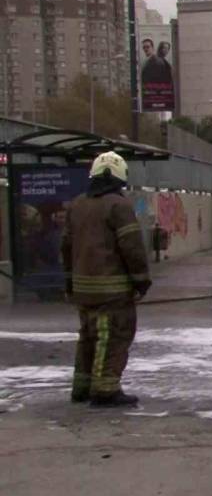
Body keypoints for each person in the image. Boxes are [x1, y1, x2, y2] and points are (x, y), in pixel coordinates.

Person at [61, 151, 151, 407]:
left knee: (88, 336)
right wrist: (141, 281)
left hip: (82, 289)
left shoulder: (77, 204)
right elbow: (131, 247)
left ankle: (82, 386)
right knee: (113, 335)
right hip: (112, 291)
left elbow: (65, 247)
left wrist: (69, 283)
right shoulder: (118, 205)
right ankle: (105, 389)